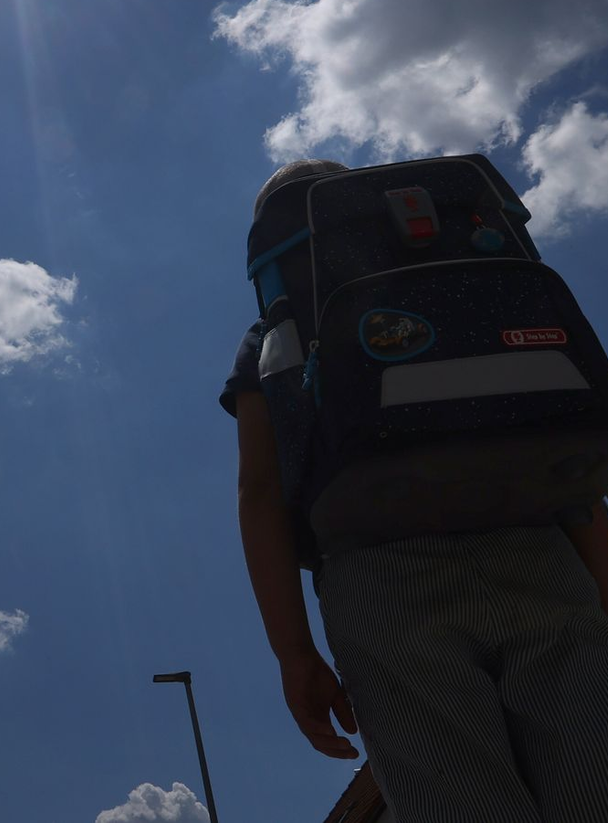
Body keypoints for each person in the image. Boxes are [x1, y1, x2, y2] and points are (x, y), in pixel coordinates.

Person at [221, 160, 608, 823]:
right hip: (538, 545)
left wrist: (295, 653)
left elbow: (259, 493)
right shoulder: (479, 288)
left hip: (379, 578)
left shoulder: (271, 338)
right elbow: (560, 457)